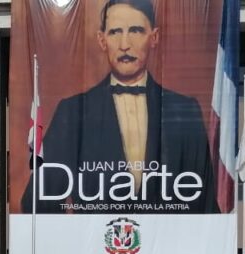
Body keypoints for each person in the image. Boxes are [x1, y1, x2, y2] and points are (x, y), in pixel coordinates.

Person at [19, 0, 218, 215]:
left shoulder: (184, 111)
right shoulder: (72, 113)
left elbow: (204, 202)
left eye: (135, 30)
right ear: (102, 40)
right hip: (95, 246)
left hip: (167, 247)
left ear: (154, 37)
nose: (125, 44)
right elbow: (38, 201)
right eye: (115, 32)